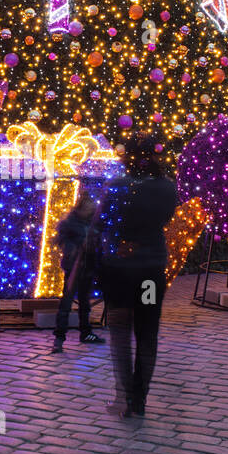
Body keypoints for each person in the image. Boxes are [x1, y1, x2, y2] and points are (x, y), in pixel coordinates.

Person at [98, 134, 178, 419]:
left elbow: (102, 221)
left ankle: (124, 396)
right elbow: (167, 217)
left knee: (119, 332)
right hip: (151, 270)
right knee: (147, 333)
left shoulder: (117, 186)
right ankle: (140, 398)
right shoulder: (168, 187)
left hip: (119, 269)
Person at [52, 194, 106, 352]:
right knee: (66, 304)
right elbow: (61, 241)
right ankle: (59, 338)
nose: (90, 210)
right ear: (81, 207)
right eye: (88, 207)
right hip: (74, 268)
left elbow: (99, 242)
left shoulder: (94, 223)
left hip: (88, 267)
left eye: (92, 208)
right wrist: (75, 247)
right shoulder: (70, 223)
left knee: (85, 303)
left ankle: (86, 333)